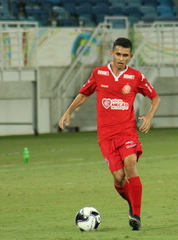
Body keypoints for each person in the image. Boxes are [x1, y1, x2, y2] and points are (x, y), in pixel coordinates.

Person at [59, 37, 161, 231]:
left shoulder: (136, 77)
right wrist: (68, 111)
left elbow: (155, 98)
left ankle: (136, 215)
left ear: (130, 56)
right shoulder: (99, 74)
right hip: (106, 136)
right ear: (112, 53)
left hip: (127, 132)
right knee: (119, 177)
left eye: (125, 55)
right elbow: (84, 94)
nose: (121, 58)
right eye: (118, 54)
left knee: (130, 165)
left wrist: (148, 116)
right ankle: (131, 202)